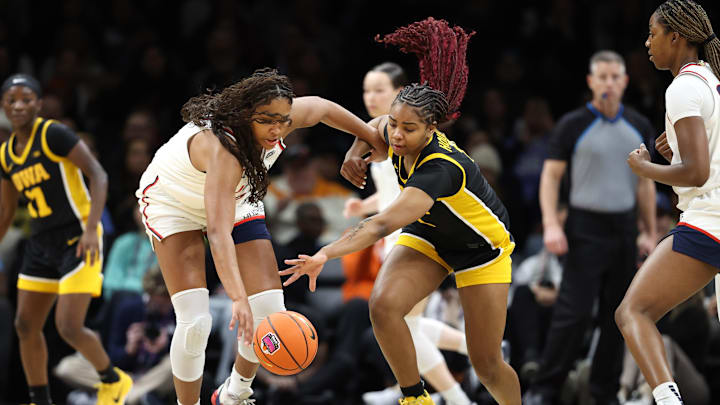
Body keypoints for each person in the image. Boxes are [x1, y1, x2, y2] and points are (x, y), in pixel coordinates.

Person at [282, 18, 522, 405]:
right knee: (384, 307)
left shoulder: (441, 168)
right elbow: (373, 126)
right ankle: (415, 397)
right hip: (430, 235)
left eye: (407, 130)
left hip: (482, 250)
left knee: (487, 364)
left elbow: (380, 225)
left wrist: (325, 254)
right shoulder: (393, 127)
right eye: (394, 124)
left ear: (430, 130)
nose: (395, 135)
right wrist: (354, 151)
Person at [135, 68, 382, 405]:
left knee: (268, 309)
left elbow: (324, 108)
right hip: (173, 203)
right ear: (245, 114)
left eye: (283, 120)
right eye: (268, 120)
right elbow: (219, 235)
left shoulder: (281, 120)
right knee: (196, 322)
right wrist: (237, 297)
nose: (277, 129)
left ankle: (234, 393)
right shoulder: (225, 149)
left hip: (236, 198)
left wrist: (368, 139)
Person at [524, 50, 658, 405]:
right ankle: (545, 389)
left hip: (624, 227)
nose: (609, 84)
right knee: (574, 312)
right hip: (584, 226)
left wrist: (649, 231)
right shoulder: (572, 124)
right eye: (603, 77)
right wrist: (552, 224)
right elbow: (550, 177)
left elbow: (645, 184)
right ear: (591, 81)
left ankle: (603, 392)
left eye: (616, 77)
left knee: (619, 314)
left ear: (625, 82)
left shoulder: (639, 125)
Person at [345, 61, 474, 405]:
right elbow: (394, 191)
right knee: (407, 326)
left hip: (417, 237)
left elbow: (419, 193)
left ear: (399, 94)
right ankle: (471, 357)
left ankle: (457, 396)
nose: (371, 97)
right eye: (366, 90)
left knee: (400, 325)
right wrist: (366, 206)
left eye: (379, 90)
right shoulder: (382, 133)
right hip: (395, 234)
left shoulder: (408, 137)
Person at [0, 74, 132, 405]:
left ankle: (113, 380)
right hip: (40, 242)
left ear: (39, 104)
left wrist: (90, 229)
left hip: (79, 236)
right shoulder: (5, 155)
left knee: (68, 327)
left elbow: (98, 174)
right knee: (25, 325)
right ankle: (39, 399)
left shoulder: (53, 134)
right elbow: (6, 210)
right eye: (11, 99)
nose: (18, 105)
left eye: (26, 98)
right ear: (3, 105)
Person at [615, 1, 720, 404]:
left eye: (652, 33)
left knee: (632, 313)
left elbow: (696, 172)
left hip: (708, 220)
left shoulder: (682, 87)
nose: (647, 43)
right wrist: (673, 147)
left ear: (675, 37)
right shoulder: (710, 79)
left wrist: (645, 169)